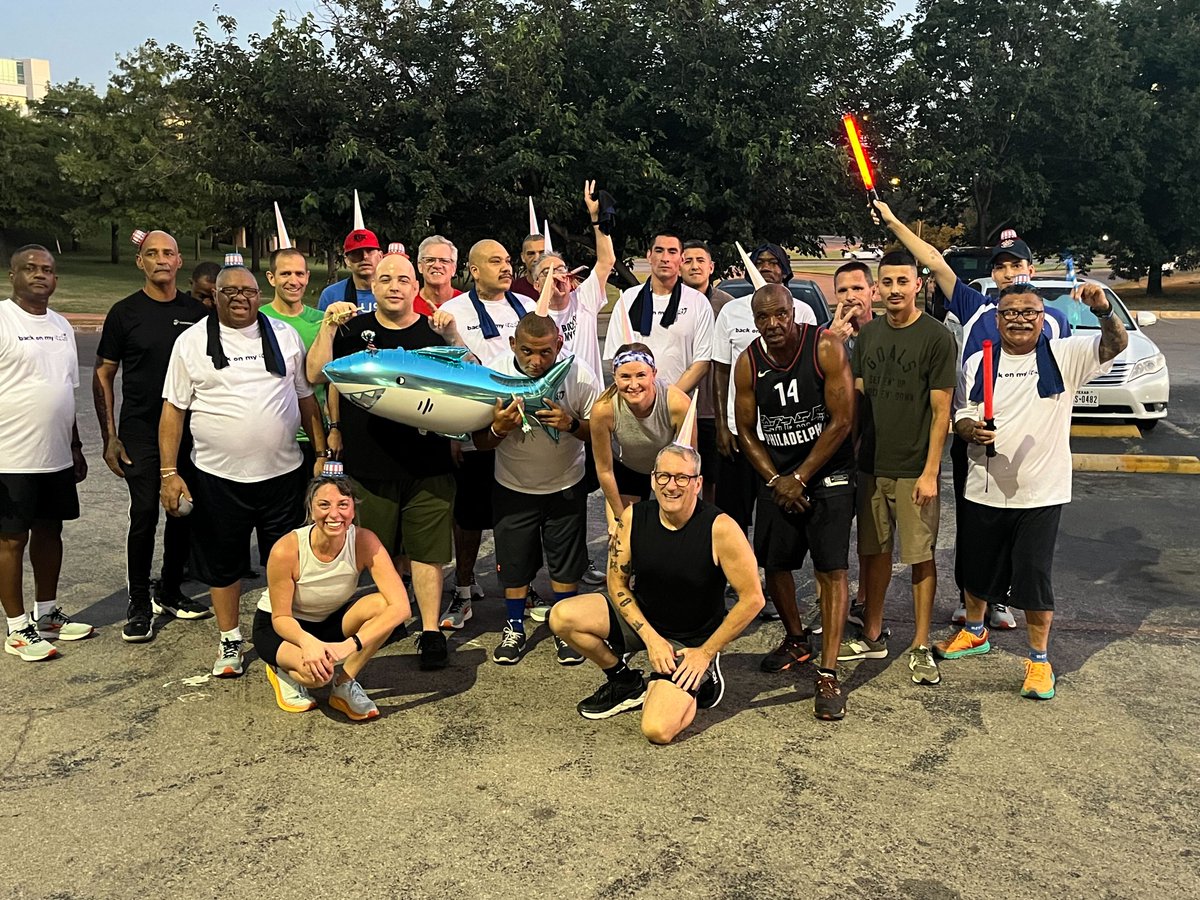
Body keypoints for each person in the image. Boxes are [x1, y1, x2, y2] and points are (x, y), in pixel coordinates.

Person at [872, 201, 1071, 630]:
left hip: (1032, 445)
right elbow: (933, 259)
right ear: (994, 274)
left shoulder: (1052, 320)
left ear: (1031, 270)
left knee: (1024, 535)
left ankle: (1002, 602)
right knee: (975, 526)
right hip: (975, 434)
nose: (1009, 272)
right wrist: (893, 223)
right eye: (1001, 266)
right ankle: (973, 598)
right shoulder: (976, 306)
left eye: (1017, 263)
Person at [938, 282, 1126, 699]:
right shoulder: (980, 361)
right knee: (974, 566)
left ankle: (1039, 662)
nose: (1020, 318)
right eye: (1010, 312)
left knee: (1033, 576)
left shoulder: (1065, 355)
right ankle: (974, 631)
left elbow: (1115, 344)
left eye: (1029, 312)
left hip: (1041, 493)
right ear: (997, 318)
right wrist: (968, 428)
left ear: (1043, 318)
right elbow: (964, 414)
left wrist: (1103, 310)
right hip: (984, 486)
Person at [160, 258, 328, 678]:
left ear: (259, 295)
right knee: (224, 565)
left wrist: (323, 451)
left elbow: (306, 399)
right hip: (218, 478)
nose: (240, 298)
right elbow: (173, 411)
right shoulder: (191, 342)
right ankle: (230, 640)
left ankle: (283, 635)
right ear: (214, 296)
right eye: (230, 292)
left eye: (248, 292)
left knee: (286, 565)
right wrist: (168, 473)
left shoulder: (284, 335)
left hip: (284, 474)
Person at [307, 251, 461, 670]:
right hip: (370, 462)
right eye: (385, 278)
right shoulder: (353, 329)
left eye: (403, 279)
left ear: (416, 288)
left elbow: (470, 377)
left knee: (427, 553)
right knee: (379, 551)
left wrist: (454, 336)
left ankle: (430, 631)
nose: (394, 286)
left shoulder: (432, 334)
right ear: (371, 287)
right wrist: (327, 325)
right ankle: (395, 613)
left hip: (427, 463)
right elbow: (318, 374)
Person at [550, 445, 765, 744]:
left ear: (698, 483)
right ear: (653, 480)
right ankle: (624, 682)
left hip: (690, 642)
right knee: (562, 617)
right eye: (663, 476)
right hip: (646, 623)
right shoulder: (633, 517)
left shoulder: (721, 529)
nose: (671, 486)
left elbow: (753, 599)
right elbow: (617, 585)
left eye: (681, 478)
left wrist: (705, 653)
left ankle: (701, 676)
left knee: (657, 729)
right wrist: (652, 641)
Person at [733, 285, 856, 720]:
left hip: (827, 473)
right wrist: (776, 479)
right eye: (763, 318)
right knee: (775, 563)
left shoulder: (823, 346)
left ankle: (828, 671)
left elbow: (842, 421)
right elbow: (744, 430)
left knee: (831, 568)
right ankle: (796, 639)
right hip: (780, 475)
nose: (773, 325)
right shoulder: (748, 362)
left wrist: (801, 477)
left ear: (793, 312)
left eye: (780, 315)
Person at [840, 250, 957, 686]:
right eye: (885, 283)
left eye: (901, 282)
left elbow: (941, 410)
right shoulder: (867, 336)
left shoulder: (935, 337)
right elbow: (856, 399)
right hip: (871, 464)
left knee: (920, 556)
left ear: (918, 285)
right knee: (873, 552)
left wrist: (930, 472)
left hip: (913, 468)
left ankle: (921, 643)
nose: (893, 291)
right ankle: (872, 632)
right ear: (876, 288)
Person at [94, 230, 210, 643]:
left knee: (183, 509)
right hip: (141, 429)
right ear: (140, 261)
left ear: (180, 261)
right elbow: (104, 373)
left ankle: (171, 589)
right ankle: (139, 600)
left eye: (169, 253)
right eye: (152, 254)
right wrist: (110, 435)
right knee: (144, 512)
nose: (161, 259)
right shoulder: (125, 313)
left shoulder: (197, 312)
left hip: (190, 427)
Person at [472, 312, 600, 665]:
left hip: (565, 483)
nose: (536, 361)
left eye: (545, 352)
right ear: (513, 344)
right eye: (527, 351)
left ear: (559, 344)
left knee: (565, 563)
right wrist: (498, 429)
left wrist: (572, 424)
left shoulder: (578, 372)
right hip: (513, 484)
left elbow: (602, 429)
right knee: (513, 561)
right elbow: (478, 441)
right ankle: (514, 625)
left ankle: (565, 628)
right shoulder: (495, 373)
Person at [255, 476, 412, 720]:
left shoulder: (364, 540)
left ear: (353, 508)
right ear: (311, 508)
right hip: (282, 628)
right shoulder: (287, 549)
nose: (334, 514)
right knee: (317, 678)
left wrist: (348, 646)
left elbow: (402, 607)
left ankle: (345, 684)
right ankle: (281, 670)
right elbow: (281, 617)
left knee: (385, 606)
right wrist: (307, 643)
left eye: (343, 504)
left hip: (329, 620)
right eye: (324, 505)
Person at [1, 245, 92, 662]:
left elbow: (66, 390)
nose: (41, 275)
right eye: (31, 269)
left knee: (50, 531)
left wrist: (74, 445)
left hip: (53, 453)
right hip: (9, 454)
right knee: (11, 539)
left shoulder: (60, 326)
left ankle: (47, 613)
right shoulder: (3, 320)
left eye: (48, 270)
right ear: (13, 275)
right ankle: (17, 628)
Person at [526, 180, 617, 588]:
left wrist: (596, 219)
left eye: (560, 269)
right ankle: (543, 570)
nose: (557, 276)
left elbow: (606, 260)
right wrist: (547, 288)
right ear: (532, 282)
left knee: (589, 489)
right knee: (555, 491)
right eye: (545, 272)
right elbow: (540, 326)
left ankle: (585, 563)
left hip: (590, 406)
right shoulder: (532, 310)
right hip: (549, 406)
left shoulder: (586, 298)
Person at [439, 240, 535, 608]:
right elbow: (446, 377)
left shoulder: (528, 307)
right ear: (474, 270)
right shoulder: (453, 311)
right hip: (475, 428)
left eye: (508, 260)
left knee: (522, 511)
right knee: (470, 514)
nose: (506, 267)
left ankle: (523, 584)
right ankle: (463, 586)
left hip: (524, 430)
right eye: (495, 261)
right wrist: (452, 431)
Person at [711, 259, 817, 536]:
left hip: (785, 434)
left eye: (773, 262)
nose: (766, 267)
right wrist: (723, 425)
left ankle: (770, 569)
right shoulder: (731, 311)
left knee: (778, 517)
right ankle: (734, 573)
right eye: (760, 262)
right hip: (740, 432)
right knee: (733, 515)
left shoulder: (804, 311)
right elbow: (720, 370)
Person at [590, 343, 693, 526]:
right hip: (627, 467)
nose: (633, 385)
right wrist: (620, 519)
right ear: (614, 378)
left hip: (669, 471)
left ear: (654, 373)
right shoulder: (603, 410)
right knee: (623, 538)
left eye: (641, 375)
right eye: (625, 377)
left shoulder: (678, 403)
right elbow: (604, 470)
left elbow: (689, 463)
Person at [602, 232, 714, 394]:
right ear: (649, 256)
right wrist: (640, 395)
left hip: (678, 404)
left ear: (681, 259)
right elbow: (616, 357)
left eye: (672, 252)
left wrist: (668, 399)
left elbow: (701, 362)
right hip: (635, 401)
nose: (665, 258)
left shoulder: (698, 302)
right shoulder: (628, 299)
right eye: (659, 251)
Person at [261, 246, 327, 474]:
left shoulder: (322, 321)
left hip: (318, 432)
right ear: (271, 278)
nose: (293, 281)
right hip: (276, 435)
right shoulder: (259, 320)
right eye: (285, 274)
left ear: (307, 277)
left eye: (299, 274)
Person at [680, 240, 735, 502]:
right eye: (687, 260)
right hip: (680, 404)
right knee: (681, 474)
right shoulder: (670, 304)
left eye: (700, 260)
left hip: (714, 408)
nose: (694, 266)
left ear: (711, 267)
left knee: (713, 479)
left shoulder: (728, 306)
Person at [317, 228, 382, 313]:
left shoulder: (393, 292)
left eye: (370, 251)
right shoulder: (330, 295)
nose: (365, 257)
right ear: (347, 260)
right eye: (356, 253)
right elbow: (323, 326)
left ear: (380, 256)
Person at [413, 235, 463, 316]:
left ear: (453, 268)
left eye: (444, 261)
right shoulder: (408, 305)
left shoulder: (467, 304)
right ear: (420, 266)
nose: (437, 265)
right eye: (430, 260)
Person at [510, 232, 545, 299]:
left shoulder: (564, 286)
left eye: (542, 253)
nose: (536, 258)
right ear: (523, 257)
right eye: (531, 253)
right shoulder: (513, 290)